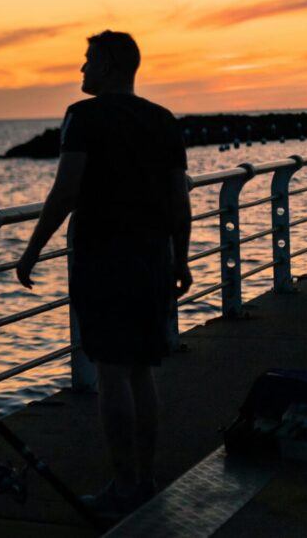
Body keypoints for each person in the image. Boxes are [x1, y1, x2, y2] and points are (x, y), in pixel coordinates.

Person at [15, 30, 192, 516]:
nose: (81, 70)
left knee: (111, 372)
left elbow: (65, 192)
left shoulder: (83, 117)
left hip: (103, 257)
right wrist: (182, 258)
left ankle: (122, 486)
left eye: (89, 60)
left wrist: (31, 251)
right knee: (140, 371)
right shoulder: (163, 121)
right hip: (153, 257)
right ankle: (145, 481)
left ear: (111, 65)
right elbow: (181, 200)